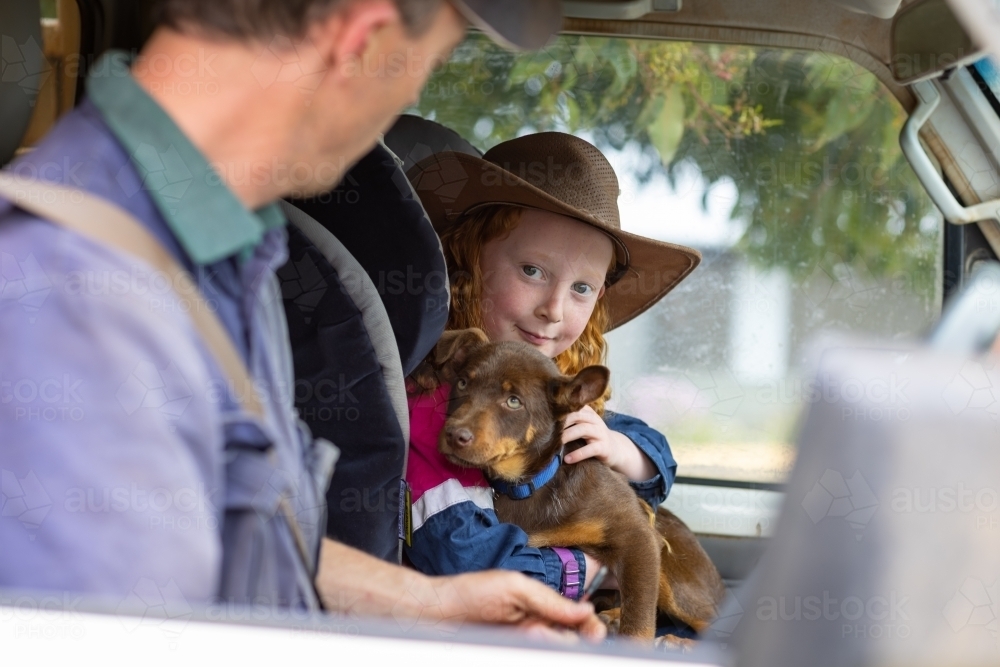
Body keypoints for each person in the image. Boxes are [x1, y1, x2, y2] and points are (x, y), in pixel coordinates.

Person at [0, 0, 605, 639]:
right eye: (422, 68)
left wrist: (423, 605)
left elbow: (226, 530)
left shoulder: (229, 248)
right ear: (361, 40)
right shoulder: (77, 299)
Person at [404, 133, 701, 600]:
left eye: (582, 288)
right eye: (532, 271)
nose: (555, 309)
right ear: (468, 262)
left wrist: (621, 449)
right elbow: (469, 561)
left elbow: (651, 447)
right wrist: (592, 565)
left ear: (600, 297)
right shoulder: (431, 397)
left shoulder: (550, 385)